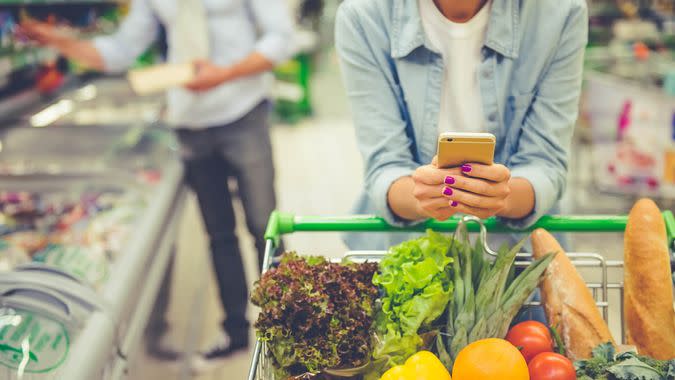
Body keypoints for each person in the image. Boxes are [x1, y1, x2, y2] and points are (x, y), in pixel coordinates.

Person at [21, 0, 293, 371]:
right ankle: (234, 333)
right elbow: (121, 50)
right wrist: (62, 41)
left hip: (243, 111)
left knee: (266, 227)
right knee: (219, 235)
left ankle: (286, 331)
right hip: (190, 124)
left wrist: (225, 74)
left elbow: (282, 39)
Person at [335, 0, 588, 249]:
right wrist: (421, 194)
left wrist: (503, 196)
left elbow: (545, 163)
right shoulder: (364, 16)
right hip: (406, 256)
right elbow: (385, 165)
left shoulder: (560, 13)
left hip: (519, 261)